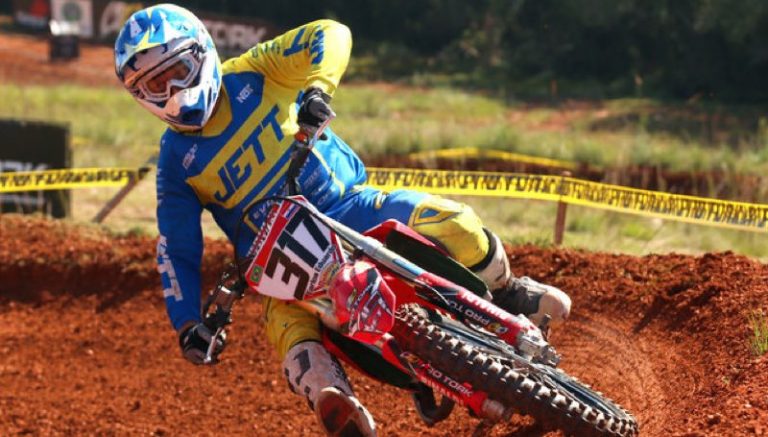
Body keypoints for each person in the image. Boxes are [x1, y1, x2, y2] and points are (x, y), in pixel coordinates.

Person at [114, 4, 571, 436]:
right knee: (287, 327)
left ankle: (508, 292)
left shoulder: (255, 72)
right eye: (155, 86)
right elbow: (176, 247)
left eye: (177, 73)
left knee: (452, 220)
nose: (172, 93)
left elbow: (330, 34)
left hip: (347, 207)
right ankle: (333, 400)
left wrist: (318, 88)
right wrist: (187, 324)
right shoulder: (174, 163)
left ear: (201, 53)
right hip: (279, 263)